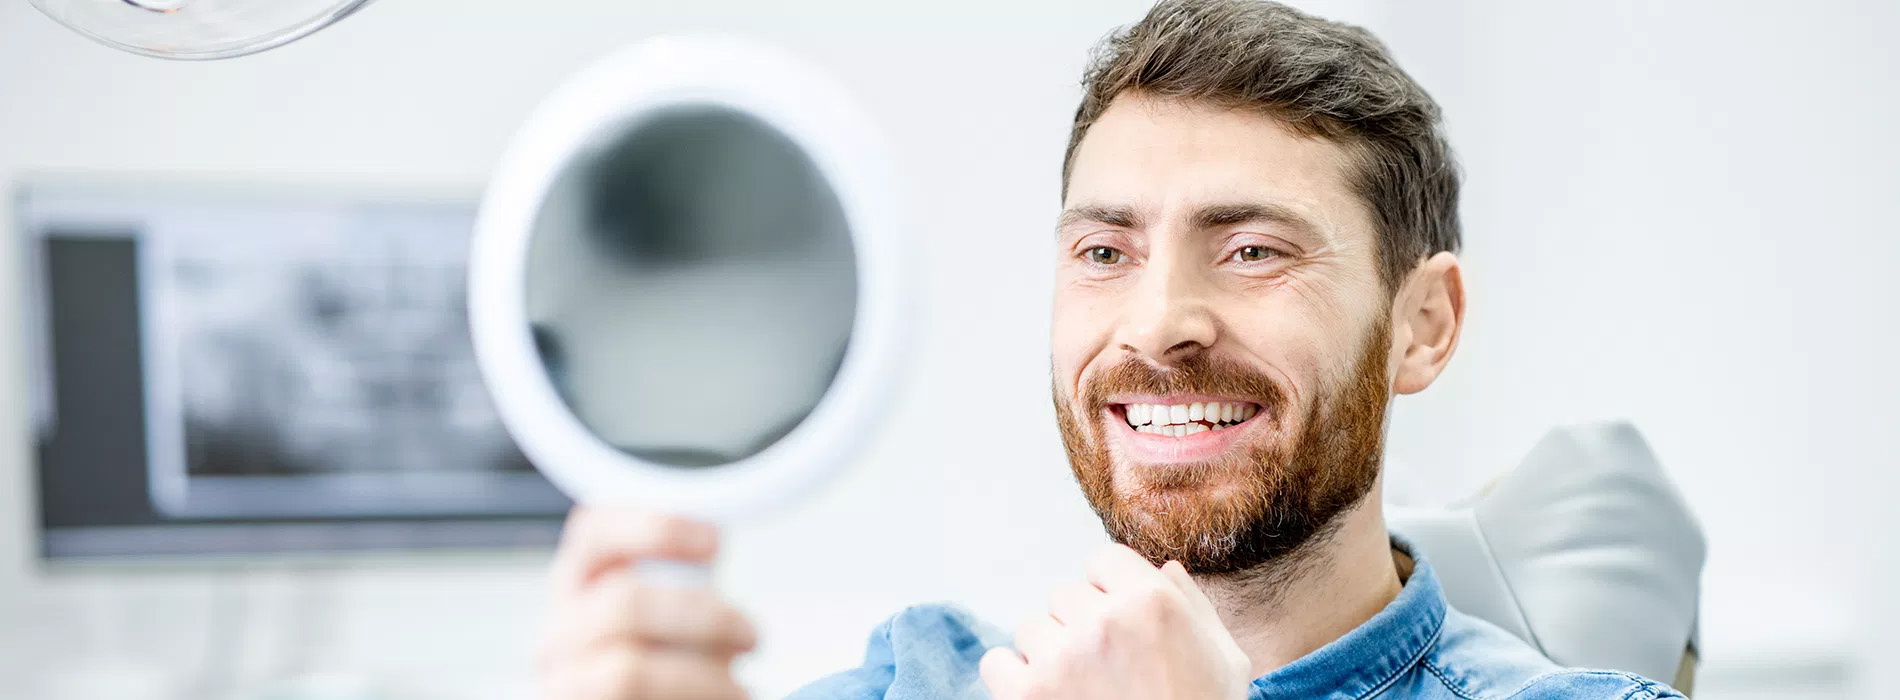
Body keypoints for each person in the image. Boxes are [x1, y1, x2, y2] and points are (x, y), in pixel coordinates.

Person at [534, 1, 1687, 698]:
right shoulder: (918, 678)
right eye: (1104, 252)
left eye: (1249, 250)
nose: (1156, 323)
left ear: (1422, 324)